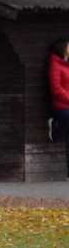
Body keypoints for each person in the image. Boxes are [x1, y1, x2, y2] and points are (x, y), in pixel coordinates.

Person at [48, 38, 69, 179]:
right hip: (62, 105)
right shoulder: (55, 65)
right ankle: (56, 125)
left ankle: (56, 126)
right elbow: (56, 88)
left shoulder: (66, 64)